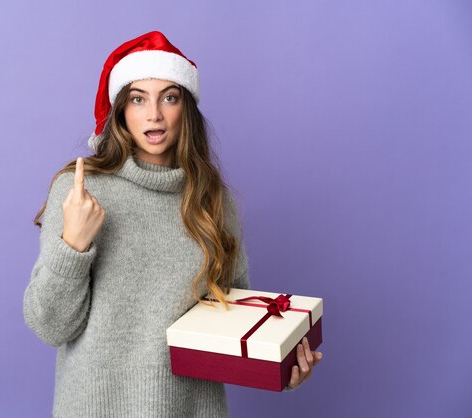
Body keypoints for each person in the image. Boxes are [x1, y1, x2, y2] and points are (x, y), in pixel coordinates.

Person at [23, 30, 323, 418]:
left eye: (169, 97)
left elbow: (233, 328)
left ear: (186, 107)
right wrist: (73, 246)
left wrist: (281, 367)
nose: (154, 114)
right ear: (121, 110)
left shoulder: (215, 202)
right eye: (137, 98)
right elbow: (50, 327)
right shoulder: (82, 192)